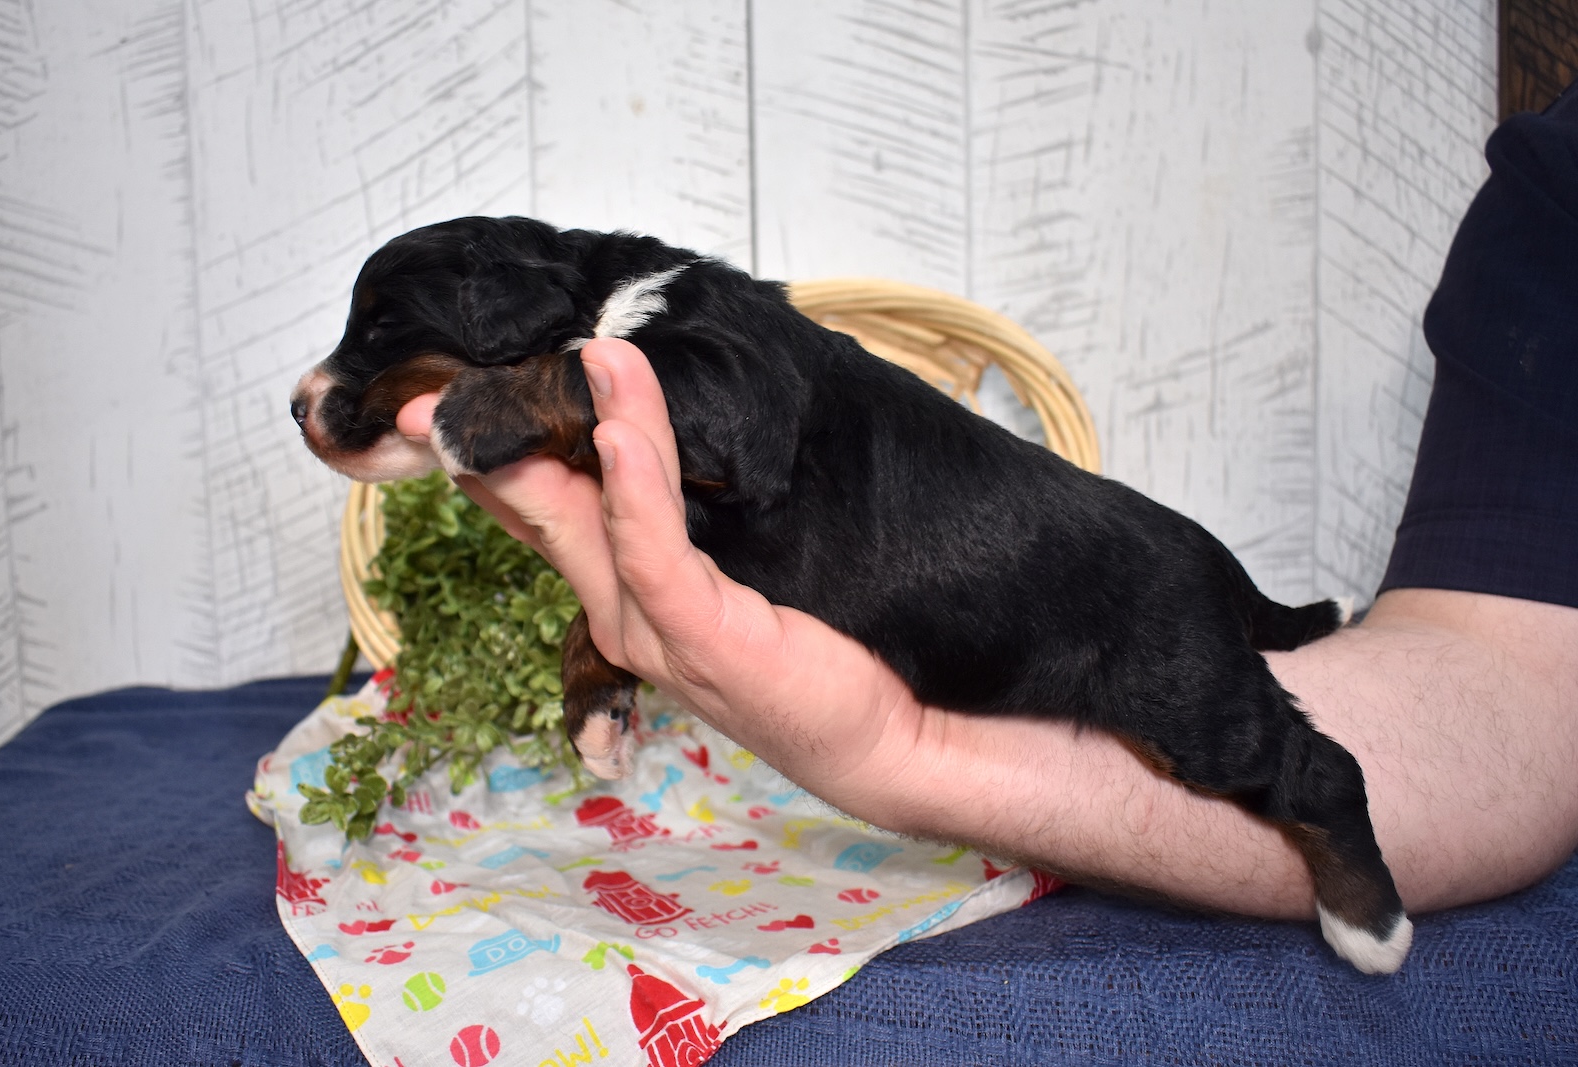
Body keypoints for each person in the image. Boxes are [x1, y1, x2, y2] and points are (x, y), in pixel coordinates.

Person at [393, 91, 1578, 924]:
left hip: (1116, 594)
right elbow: (1501, 676)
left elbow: (734, 436)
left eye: (386, 341)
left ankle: (1334, 817)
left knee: (1229, 737)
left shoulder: (702, 334)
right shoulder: (1545, 199)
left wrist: (536, 395)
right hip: (1007, 606)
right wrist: (905, 753)